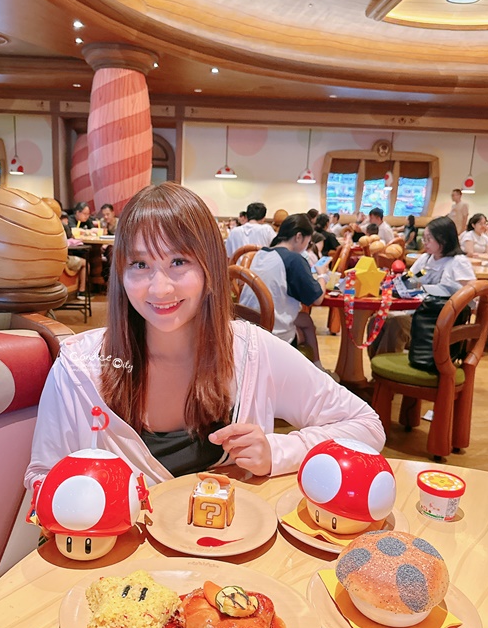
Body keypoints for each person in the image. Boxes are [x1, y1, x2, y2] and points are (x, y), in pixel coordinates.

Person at [25, 183, 384, 489]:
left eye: (178, 262)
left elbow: (367, 426)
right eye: (140, 265)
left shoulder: (251, 352)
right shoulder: (81, 369)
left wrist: (276, 451)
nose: (160, 288)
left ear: (210, 267)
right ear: (120, 273)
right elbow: (43, 477)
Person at [368, 216, 476, 357]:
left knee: (396, 324)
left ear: (443, 239)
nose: (424, 243)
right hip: (417, 313)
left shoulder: (458, 262)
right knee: (376, 320)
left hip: (438, 321)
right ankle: (379, 369)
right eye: (424, 238)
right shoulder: (426, 259)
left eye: (428, 239)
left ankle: (384, 372)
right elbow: (409, 279)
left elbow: (472, 296)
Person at [240, 213, 333, 374]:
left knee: (305, 320)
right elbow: (317, 299)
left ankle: (316, 370)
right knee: (306, 323)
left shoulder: (261, 253)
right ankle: (314, 372)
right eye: (307, 241)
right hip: (272, 335)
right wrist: (323, 275)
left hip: (246, 328)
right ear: (299, 236)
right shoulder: (293, 260)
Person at [60, 212, 90, 300]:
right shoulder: (61, 226)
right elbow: (70, 237)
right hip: (63, 260)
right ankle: (82, 291)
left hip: (52, 261)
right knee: (85, 263)